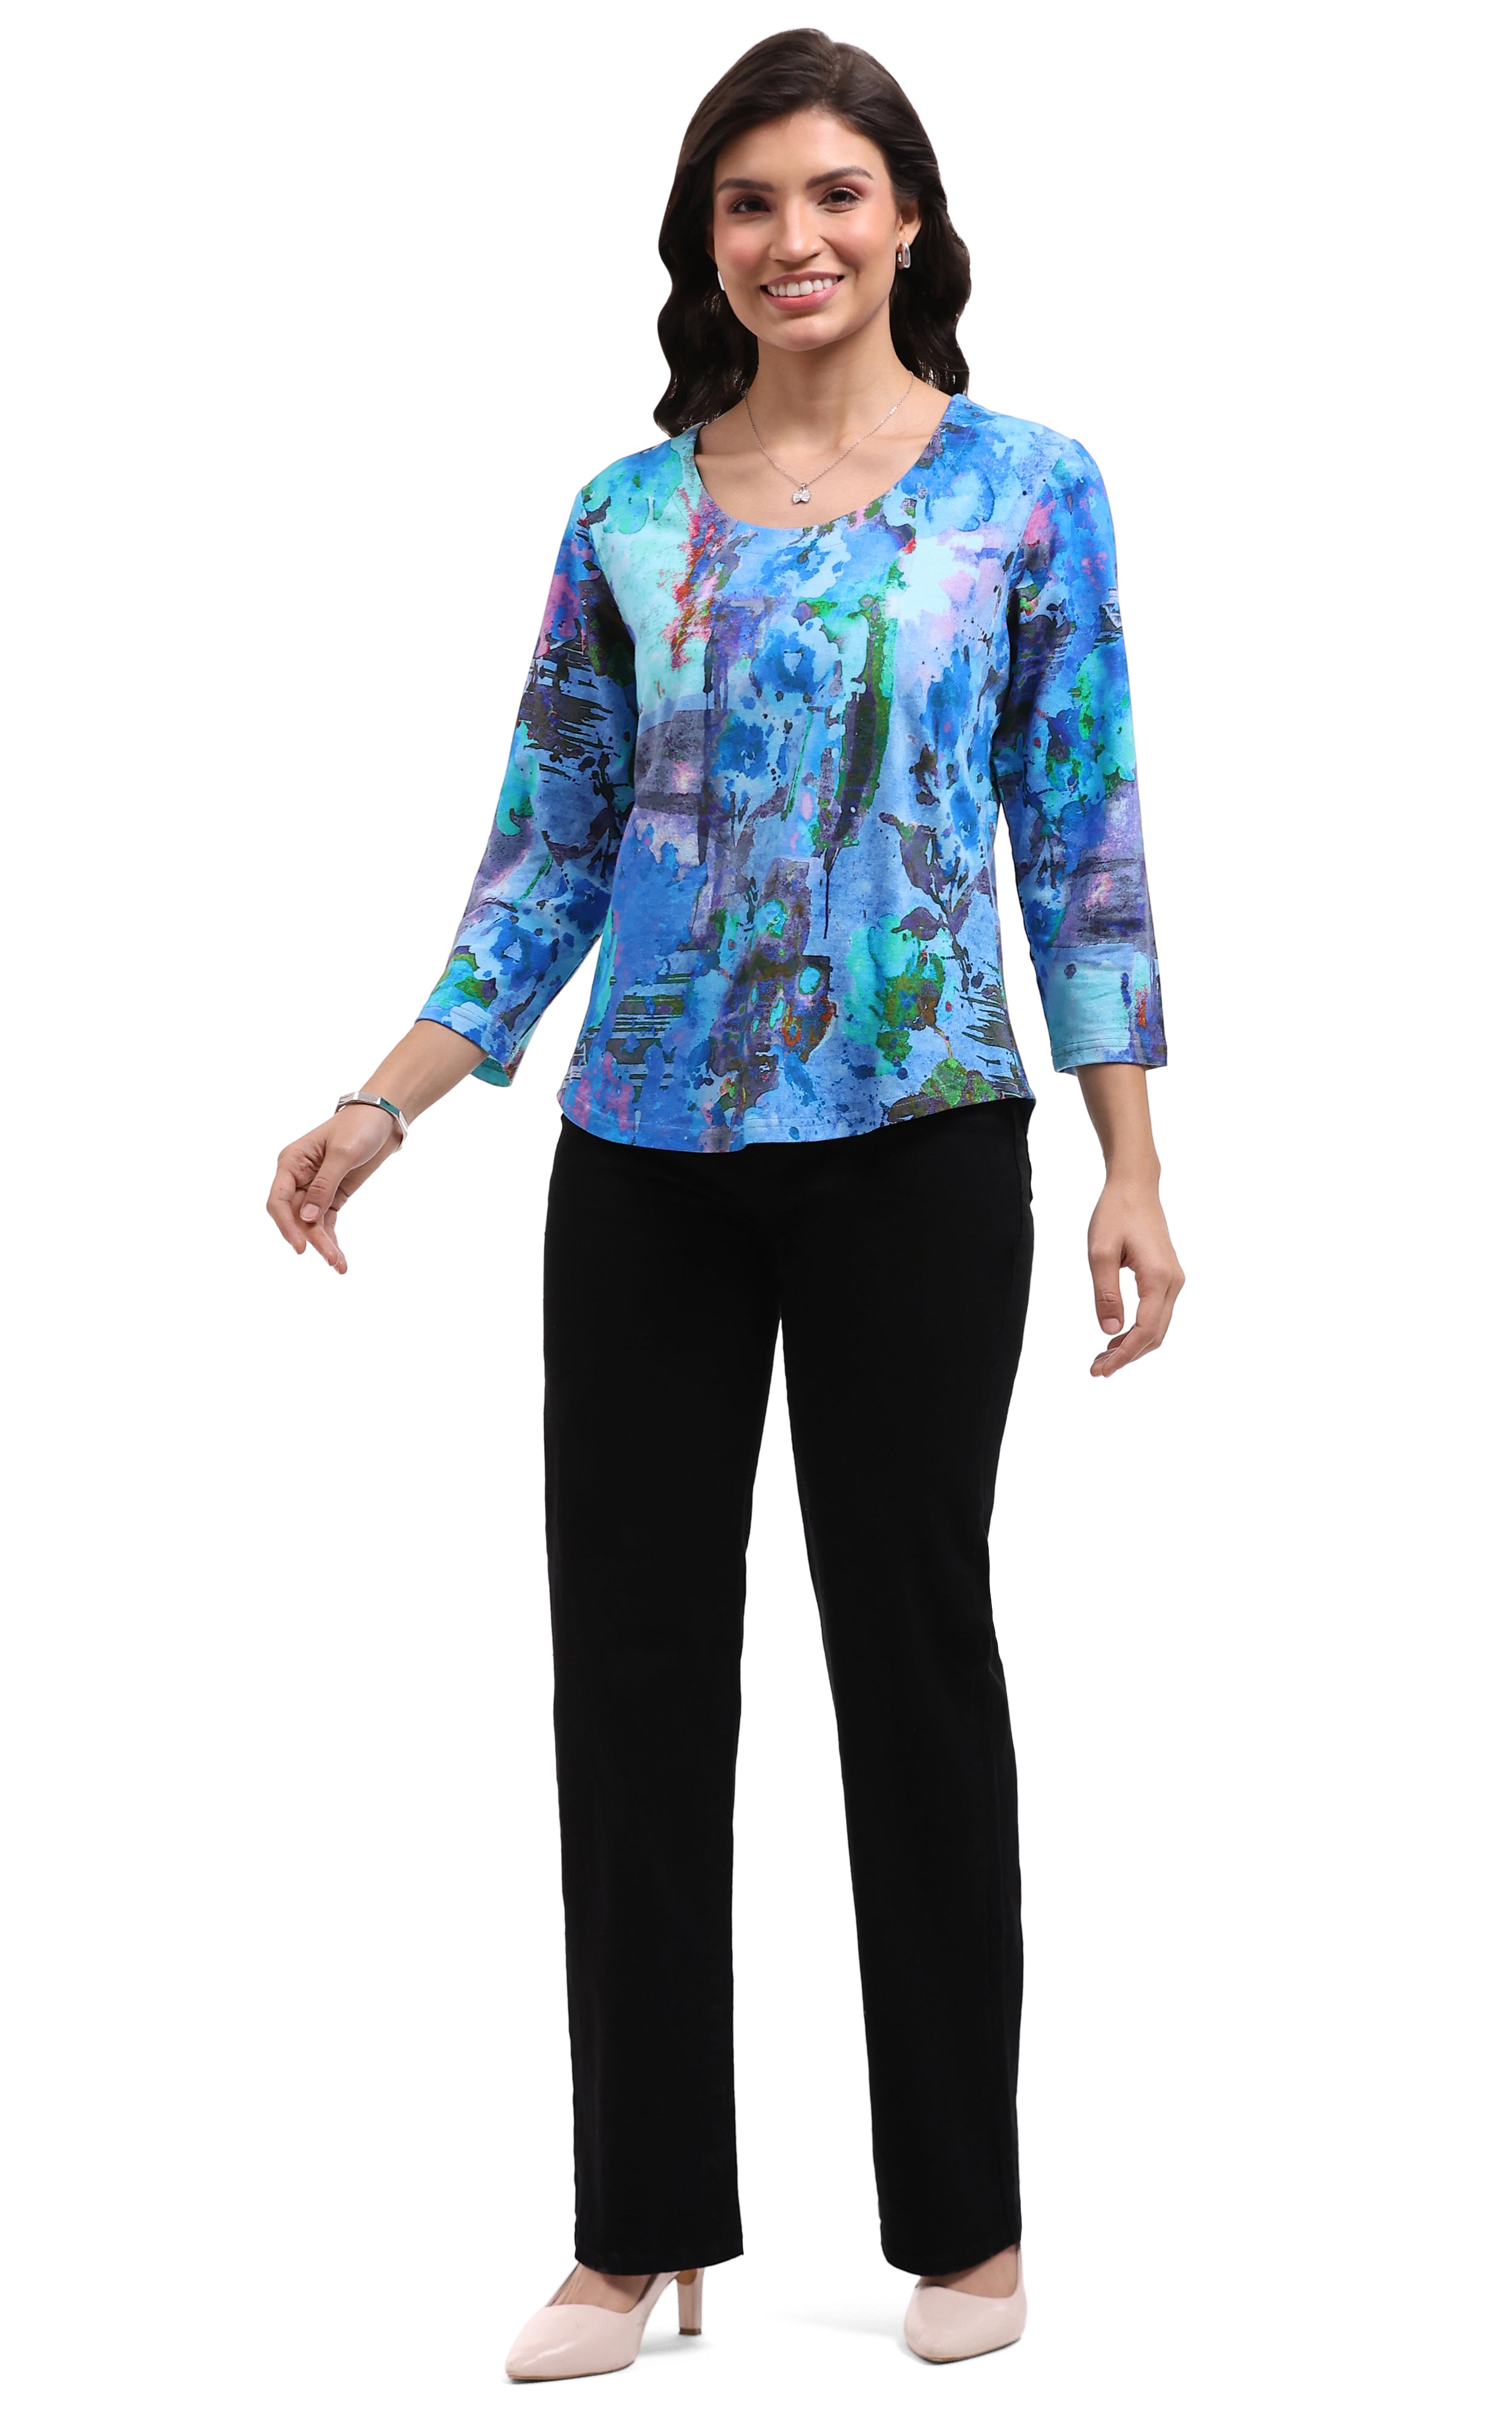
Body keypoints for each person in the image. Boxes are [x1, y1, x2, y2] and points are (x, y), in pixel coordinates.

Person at [266, 28, 1183, 2381]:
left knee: (912, 1655)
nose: (794, 238)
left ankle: (965, 2221)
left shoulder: (1026, 492)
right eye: (750, 202)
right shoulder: (623, 517)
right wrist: (387, 1100)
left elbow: (1077, 837)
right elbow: (547, 851)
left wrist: (1130, 1162)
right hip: (646, 1161)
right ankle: (640, 2226)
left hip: (920, 1146)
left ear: (908, 220)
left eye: (833, 194)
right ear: (704, 241)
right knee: (637, 1672)